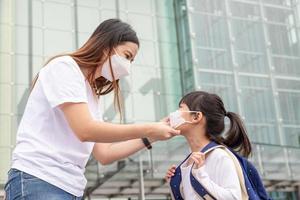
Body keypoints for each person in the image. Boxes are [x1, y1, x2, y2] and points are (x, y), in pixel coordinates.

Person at [4, 19, 180, 200]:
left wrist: (152, 136)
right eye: (127, 56)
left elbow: (104, 154)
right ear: (106, 46)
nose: (128, 68)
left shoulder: (91, 95)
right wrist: (150, 128)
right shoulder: (65, 67)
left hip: (70, 188)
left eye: (131, 60)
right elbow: (85, 130)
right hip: (39, 179)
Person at [165, 91, 252, 199]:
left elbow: (233, 197)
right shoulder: (188, 162)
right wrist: (174, 183)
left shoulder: (219, 156)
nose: (175, 113)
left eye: (180, 108)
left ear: (196, 116)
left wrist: (201, 175)